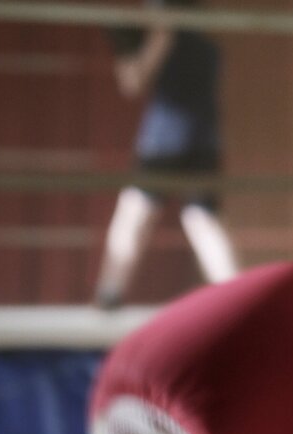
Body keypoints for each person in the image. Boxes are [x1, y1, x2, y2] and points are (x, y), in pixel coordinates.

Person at [95, 0, 238, 308]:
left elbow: (134, 81)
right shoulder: (138, 27)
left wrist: (163, 34)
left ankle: (109, 293)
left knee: (188, 216)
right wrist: (161, 35)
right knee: (188, 216)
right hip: (189, 136)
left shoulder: (186, 25)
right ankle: (109, 293)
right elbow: (132, 80)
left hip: (178, 137)